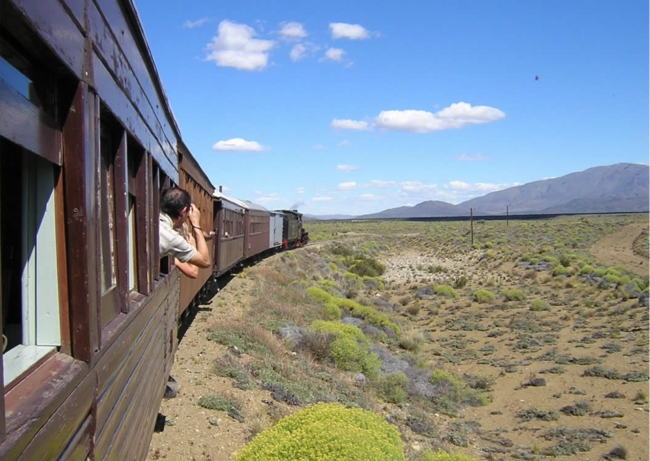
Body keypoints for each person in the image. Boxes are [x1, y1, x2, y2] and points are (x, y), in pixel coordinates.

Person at [159, 187, 211, 270]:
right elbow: (205, 262)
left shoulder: (153, 220)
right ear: (183, 212)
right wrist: (196, 225)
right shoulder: (171, 238)